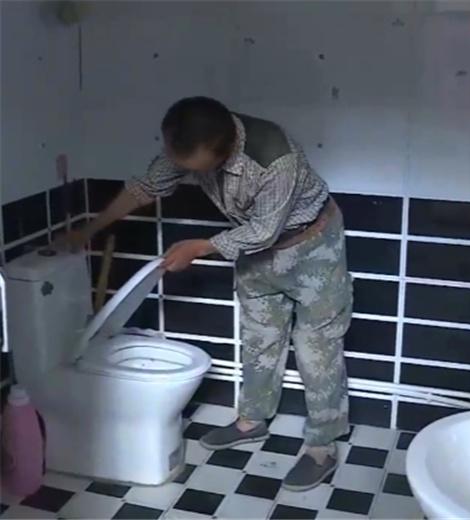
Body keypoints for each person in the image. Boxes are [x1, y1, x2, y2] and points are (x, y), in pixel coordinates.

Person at [67, 97, 353, 491]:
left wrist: (199, 247)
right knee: (259, 340)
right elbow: (146, 187)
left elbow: (263, 231)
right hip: (255, 254)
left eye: (195, 168)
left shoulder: (274, 157)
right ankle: (251, 421)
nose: (186, 171)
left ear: (226, 148)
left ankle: (322, 446)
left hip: (312, 247)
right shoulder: (191, 137)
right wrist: (88, 230)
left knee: (316, 348)